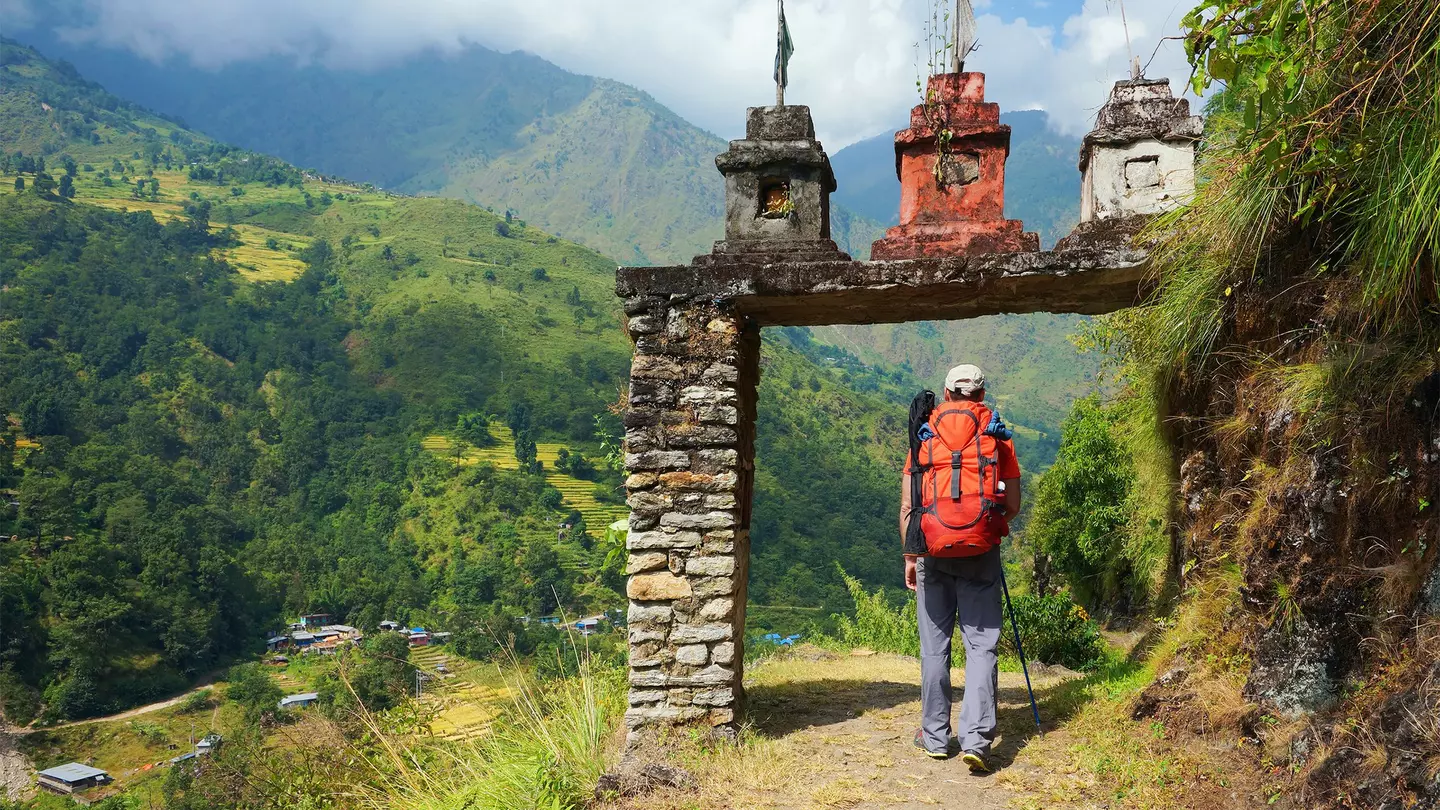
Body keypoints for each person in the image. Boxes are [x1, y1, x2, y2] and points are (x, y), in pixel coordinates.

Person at [900, 363, 1021, 772]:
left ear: (947, 393)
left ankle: (935, 737)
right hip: (980, 551)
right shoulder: (996, 435)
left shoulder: (925, 433)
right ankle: (977, 740)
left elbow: (910, 504)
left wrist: (911, 556)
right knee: (981, 646)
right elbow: (1014, 504)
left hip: (932, 550)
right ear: (981, 396)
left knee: (935, 648)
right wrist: (986, 524)